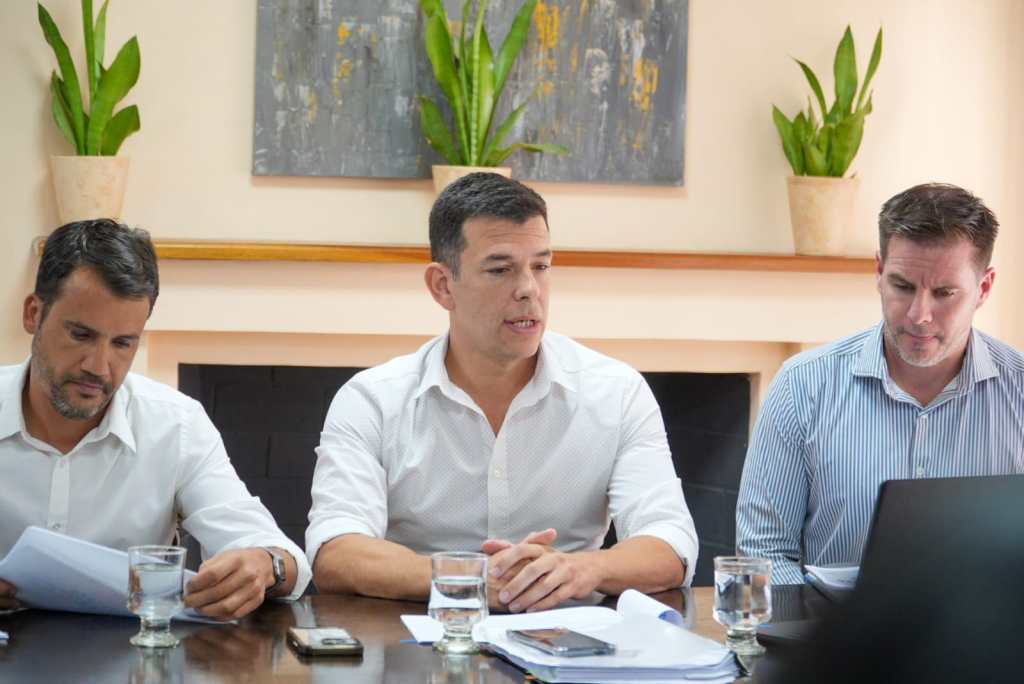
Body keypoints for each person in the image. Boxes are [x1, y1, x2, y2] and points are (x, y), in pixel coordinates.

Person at [307, 172, 698, 612]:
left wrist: (581, 568)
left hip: (567, 638)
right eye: (500, 269)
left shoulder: (617, 392)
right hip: (421, 638)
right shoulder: (372, 400)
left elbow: (671, 543)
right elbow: (335, 553)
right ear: (442, 286)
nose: (529, 289)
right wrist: (467, 577)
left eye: (541, 267)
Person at [0, 219, 311, 617]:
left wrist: (265, 564)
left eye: (122, 343)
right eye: (81, 335)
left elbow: (279, 556)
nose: (99, 366)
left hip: (134, 651)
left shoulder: (176, 425)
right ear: (33, 314)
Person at [736, 183, 1024, 584]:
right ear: (879, 272)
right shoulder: (801, 387)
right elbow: (764, 554)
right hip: (828, 625)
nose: (919, 315)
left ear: (984, 288)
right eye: (903, 286)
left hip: (990, 624)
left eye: (944, 293)